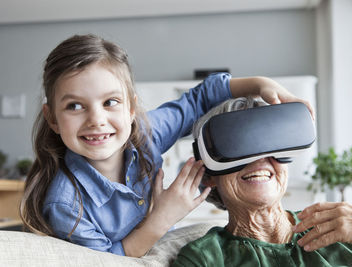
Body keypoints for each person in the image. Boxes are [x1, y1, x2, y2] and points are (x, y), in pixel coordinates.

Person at [19, 33, 313, 257]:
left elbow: (199, 98)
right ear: (53, 119)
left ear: (131, 109)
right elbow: (108, 261)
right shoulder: (65, 204)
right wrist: (163, 216)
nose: (96, 119)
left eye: (110, 102)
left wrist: (260, 84)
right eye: (74, 106)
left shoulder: (146, 133)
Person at [171, 96, 352, 266]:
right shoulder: (203, 258)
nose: (259, 160)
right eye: (236, 148)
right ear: (209, 175)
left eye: (270, 145)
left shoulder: (338, 227)